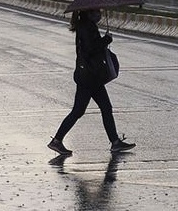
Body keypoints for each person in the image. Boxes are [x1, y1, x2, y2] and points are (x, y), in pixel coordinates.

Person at [48, 9, 136, 155]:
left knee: (102, 108)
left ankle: (115, 142)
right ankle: (57, 141)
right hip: (89, 76)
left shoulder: (86, 25)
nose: (100, 14)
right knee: (82, 110)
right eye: (97, 12)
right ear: (90, 13)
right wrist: (106, 39)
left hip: (90, 76)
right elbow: (90, 49)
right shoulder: (86, 27)